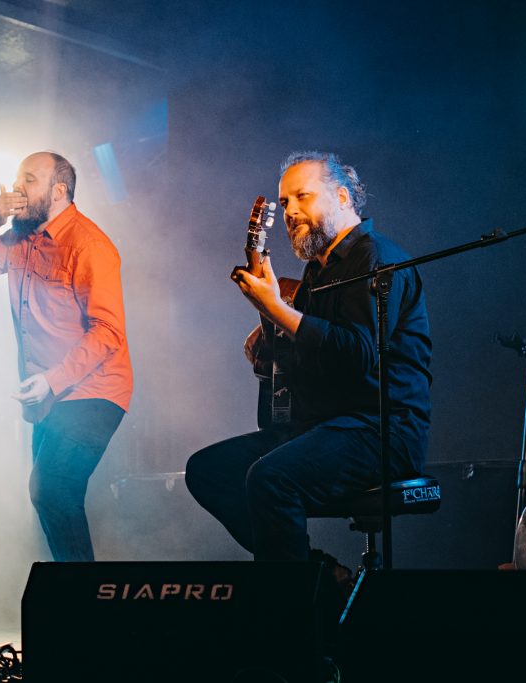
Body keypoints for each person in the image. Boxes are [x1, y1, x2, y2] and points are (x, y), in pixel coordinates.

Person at [185, 151, 432, 580]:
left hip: (380, 431)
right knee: (209, 470)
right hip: (326, 427)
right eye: (284, 203)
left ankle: (291, 616)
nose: (290, 212)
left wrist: (277, 310)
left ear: (341, 196)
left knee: (271, 478)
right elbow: (311, 360)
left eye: (302, 197)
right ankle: (316, 574)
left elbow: (357, 357)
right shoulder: (315, 273)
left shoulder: (374, 259)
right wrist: (271, 344)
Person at [0, 151, 132, 562]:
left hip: (94, 390)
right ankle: (73, 601)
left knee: (50, 489)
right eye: (18, 179)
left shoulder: (89, 245)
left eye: (29, 180)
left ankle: (83, 606)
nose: (18, 188)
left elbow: (108, 333)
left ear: (59, 190)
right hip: (49, 396)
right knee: (46, 496)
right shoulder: (21, 240)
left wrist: (52, 379)